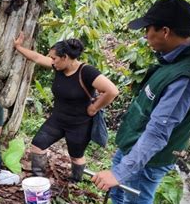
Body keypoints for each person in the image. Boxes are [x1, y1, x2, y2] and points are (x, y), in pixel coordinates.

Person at [91, 0, 190, 204]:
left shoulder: (184, 77)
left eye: (148, 30)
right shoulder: (174, 58)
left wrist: (120, 172)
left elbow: (157, 134)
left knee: (136, 201)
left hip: (150, 157)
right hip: (133, 144)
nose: (145, 36)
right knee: (119, 193)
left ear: (165, 31)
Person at [14, 33, 118, 180]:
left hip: (79, 124)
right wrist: (18, 47)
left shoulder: (86, 72)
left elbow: (112, 91)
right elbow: (37, 58)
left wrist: (94, 108)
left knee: (76, 157)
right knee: (37, 145)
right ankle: (38, 179)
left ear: (65, 58)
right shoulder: (58, 66)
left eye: (54, 58)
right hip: (58, 120)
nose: (51, 61)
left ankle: (75, 181)